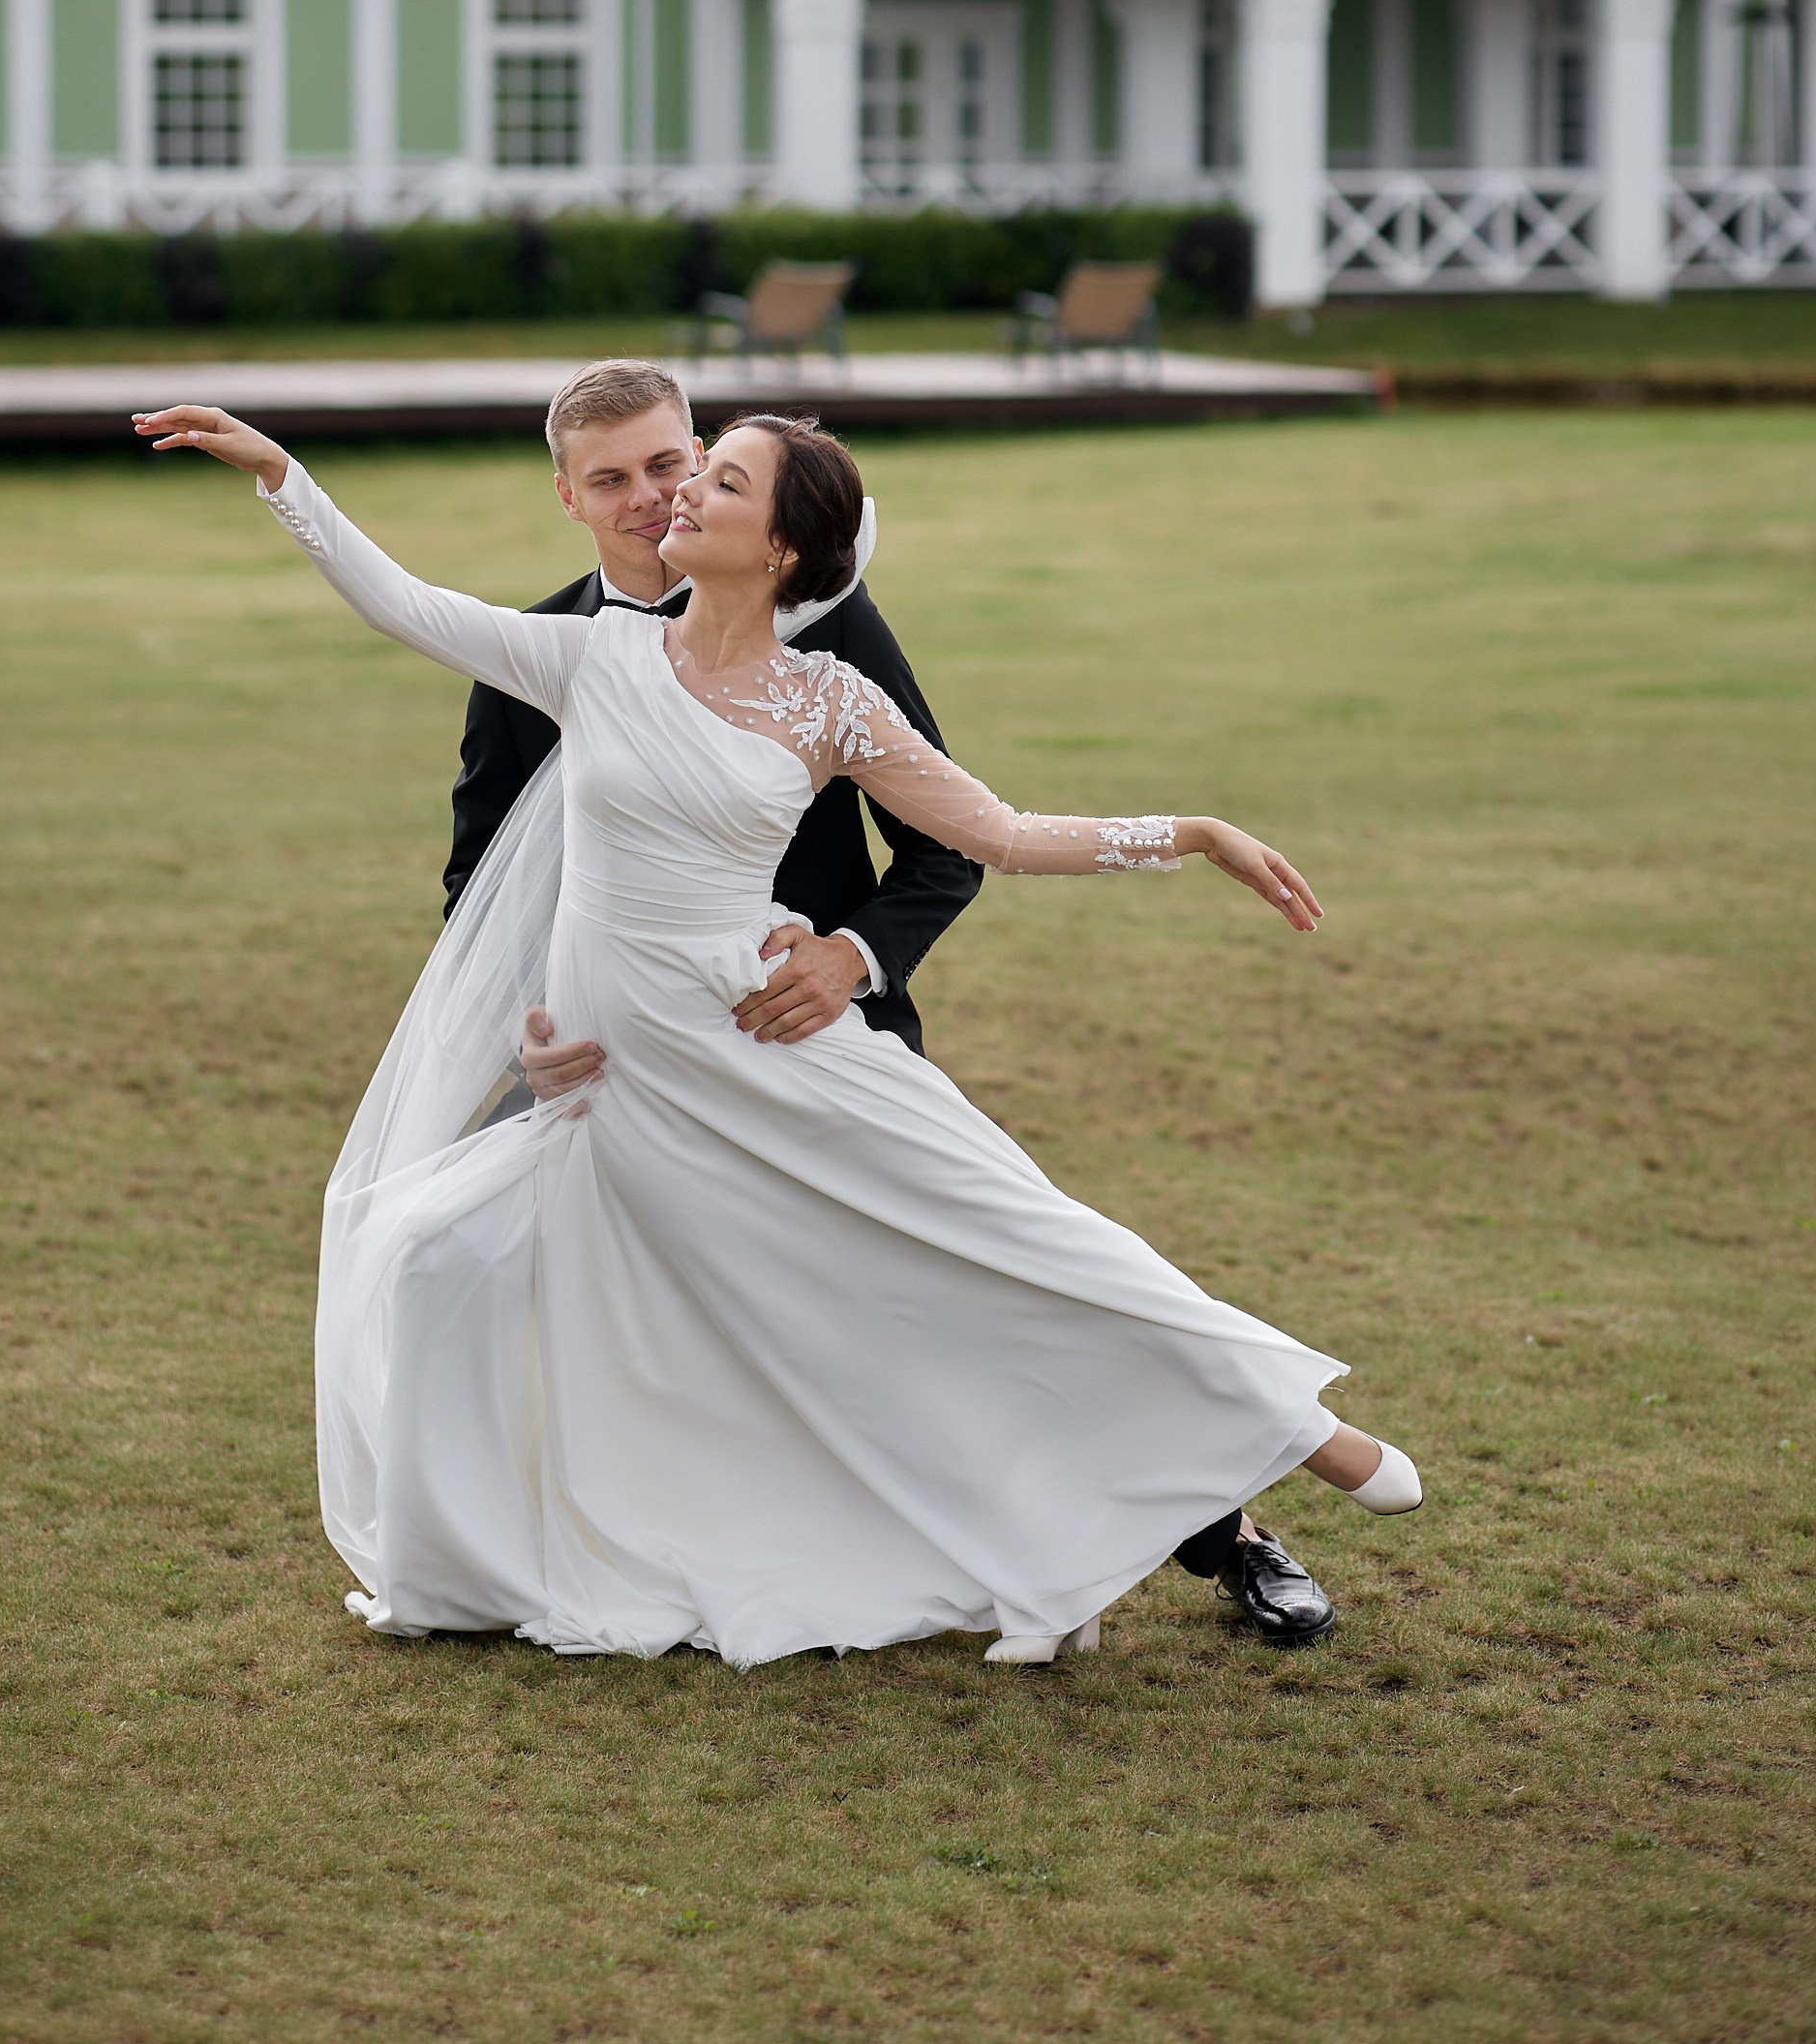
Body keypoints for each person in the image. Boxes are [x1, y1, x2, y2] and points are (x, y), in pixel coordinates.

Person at [136, 397, 1423, 1668]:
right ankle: (484, 1563)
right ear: (573, 494)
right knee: (423, 1258)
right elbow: (402, 610)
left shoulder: (831, 696)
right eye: (643, 478)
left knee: (1008, 1237)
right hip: (620, 1091)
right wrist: (279, 473)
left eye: (710, 478)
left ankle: (1282, 1435)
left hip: (772, 1047)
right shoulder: (582, 656)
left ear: (784, 549)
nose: (674, 494)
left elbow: (998, 836)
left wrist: (1190, 835)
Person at [444, 358, 980, 1067]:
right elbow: (480, 884)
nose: (648, 498)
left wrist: (851, 957)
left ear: (700, 458)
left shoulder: (829, 623)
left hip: (802, 1036)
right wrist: (521, 1035)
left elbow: (948, 842)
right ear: (569, 497)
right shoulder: (528, 658)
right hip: (616, 1057)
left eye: (664, 465)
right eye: (609, 480)